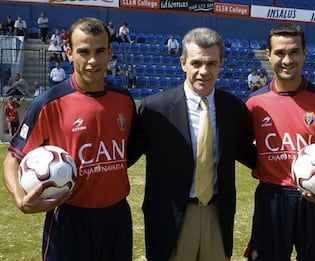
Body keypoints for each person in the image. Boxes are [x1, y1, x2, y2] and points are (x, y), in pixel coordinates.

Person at [3, 17, 136, 261]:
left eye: (99, 51)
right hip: (69, 218)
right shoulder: (49, 103)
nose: (92, 61)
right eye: (83, 52)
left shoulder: (124, 100)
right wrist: (20, 200)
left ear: (110, 53)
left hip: (117, 217)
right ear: (69, 53)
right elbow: (13, 159)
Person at [127, 27, 257, 261]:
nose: (203, 71)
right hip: (172, 216)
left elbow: (251, 155)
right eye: (196, 63)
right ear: (183, 63)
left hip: (217, 215)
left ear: (221, 65)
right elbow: (124, 159)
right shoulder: (155, 109)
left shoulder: (234, 109)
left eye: (211, 64)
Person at [244, 23, 315, 261]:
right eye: (280, 53)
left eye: (294, 51)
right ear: (268, 54)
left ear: (305, 53)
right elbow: (240, 147)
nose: (287, 60)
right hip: (271, 198)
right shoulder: (255, 104)